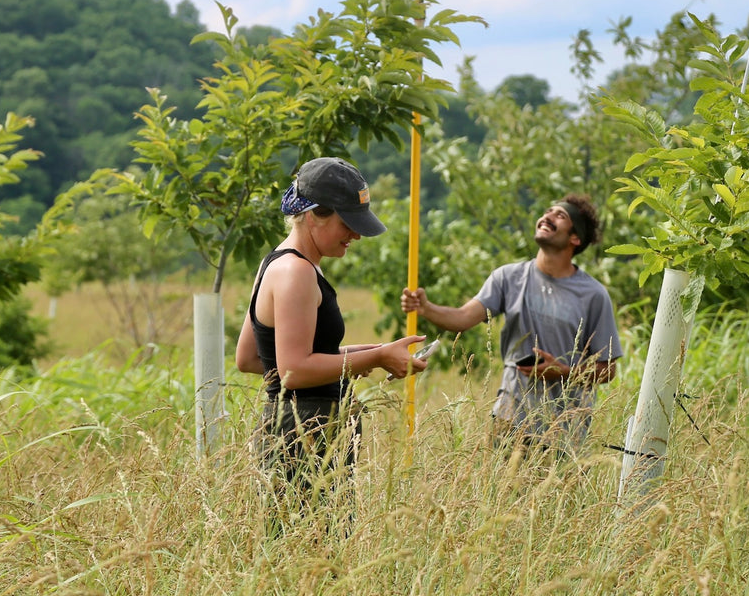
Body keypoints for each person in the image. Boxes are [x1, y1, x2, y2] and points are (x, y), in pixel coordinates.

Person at [236, 156, 427, 523]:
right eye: (347, 224)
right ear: (313, 214)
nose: (355, 234)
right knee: (317, 558)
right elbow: (293, 369)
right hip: (304, 434)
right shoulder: (297, 272)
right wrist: (373, 360)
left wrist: (377, 352)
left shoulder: (276, 262)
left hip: (288, 429)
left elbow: (253, 357)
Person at [400, 194, 621, 450]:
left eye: (560, 215)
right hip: (509, 419)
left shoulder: (594, 295)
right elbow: (462, 318)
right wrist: (425, 308)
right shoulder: (508, 277)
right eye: (547, 211)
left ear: (575, 238)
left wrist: (561, 372)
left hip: (564, 431)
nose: (547, 216)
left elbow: (608, 370)